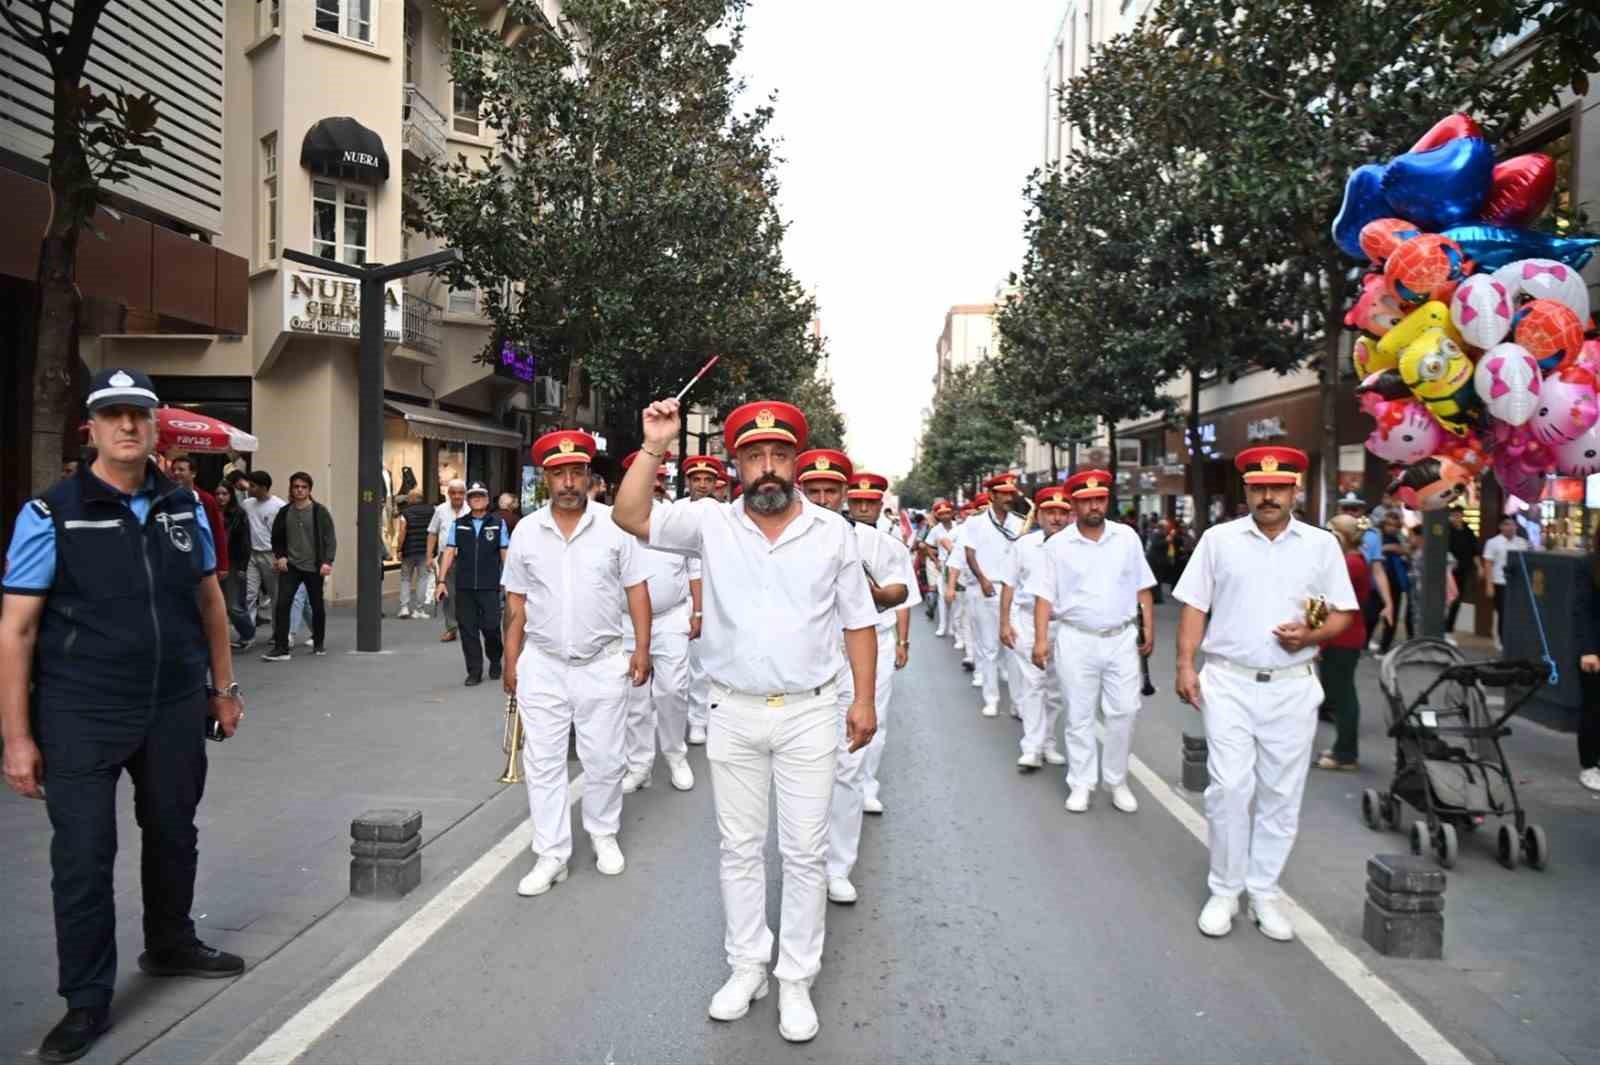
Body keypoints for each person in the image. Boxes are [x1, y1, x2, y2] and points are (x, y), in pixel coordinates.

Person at [613, 398, 878, 1045]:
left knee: (805, 852)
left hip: (811, 710)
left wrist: (863, 699)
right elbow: (629, 514)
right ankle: (747, 967)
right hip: (731, 710)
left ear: (794, 462)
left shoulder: (831, 531)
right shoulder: (708, 522)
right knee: (738, 848)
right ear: (736, 464)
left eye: (779, 455)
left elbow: (858, 620)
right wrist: (654, 445)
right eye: (755, 456)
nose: (768, 468)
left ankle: (794, 978)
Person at [1, 369, 245, 1063]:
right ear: (92, 428)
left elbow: (209, 603)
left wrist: (223, 688)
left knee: (173, 830)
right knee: (82, 856)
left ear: (155, 425)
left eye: (139, 414)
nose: (128, 427)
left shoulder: (183, 505)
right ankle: (85, 999)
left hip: (173, 704)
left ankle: (169, 944)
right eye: (114, 416)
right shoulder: (50, 514)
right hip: (80, 710)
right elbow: (15, 630)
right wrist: (17, 737)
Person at [1173, 446, 1358, 943]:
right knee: (1230, 788)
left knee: (1281, 793)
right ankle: (1225, 889)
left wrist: (1310, 636)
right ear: (1247, 490)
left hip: (1292, 686)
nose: (1269, 495)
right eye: (1259, 487)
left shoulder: (1321, 546)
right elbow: (1194, 605)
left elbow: (1341, 613)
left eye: (1278, 488)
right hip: (1228, 681)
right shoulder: (1219, 540)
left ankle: (1264, 890)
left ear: (1295, 490)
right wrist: (1185, 663)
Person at [502, 431, 650, 897]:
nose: (568, 482)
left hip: (602, 662)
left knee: (604, 758)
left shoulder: (615, 526)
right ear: (546, 478)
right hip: (543, 663)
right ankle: (552, 853)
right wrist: (511, 660)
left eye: (576, 473)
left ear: (589, 476)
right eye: (559, 473)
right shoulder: (527, 530)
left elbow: (637, 590)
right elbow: (517, 602)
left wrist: (642, 649)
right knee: (542, 762)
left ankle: (603, 833)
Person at [1029, 470, 1156, 813]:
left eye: (1099, 499)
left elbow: (1142, 585)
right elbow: (1043, 596)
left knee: (1125, 711)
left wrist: (1150, 627)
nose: (1094, 506)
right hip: (1076, 639)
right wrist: (1041, 640)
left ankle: (1117, 780)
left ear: (1106, 500)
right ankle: (1082, 782)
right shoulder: (1056, 546)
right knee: (1080, 714)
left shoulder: (1127, 537)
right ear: (1074, 504)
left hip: (1122, 638)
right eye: (1086, 501)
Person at [839, 470, 915, 845]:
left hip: (878, 638)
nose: (864, 507)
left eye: (871, 502)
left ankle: (865, 782)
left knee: (874, 716)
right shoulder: (825, 535)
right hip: (830, 643)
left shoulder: (889, 545)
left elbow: (903, 596)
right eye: (858, 501)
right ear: (848, 501)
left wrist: (903, 641)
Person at [615, 451, 696, 792]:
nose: (651, 485)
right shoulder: (612, 520)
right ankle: (639, 765)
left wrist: (699, 610)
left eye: (656, 479)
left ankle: (676, 755)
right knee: (634, 697)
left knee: (672, 690)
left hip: (671, 616)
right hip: (625, 622)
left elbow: (695, 567)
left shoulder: (675, 519)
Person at [1000, 485, 1070, 770]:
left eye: (1062, 512)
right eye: (1049, 512)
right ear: (1038, 515)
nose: (1056, 518)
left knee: (1055, 689)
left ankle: (1049, 742)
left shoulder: (1076, 546)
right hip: (1027, 622)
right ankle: (1031, 746)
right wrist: (1004, 622)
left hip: (1063, 625)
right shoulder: (1023, 545)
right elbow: (1009, 584)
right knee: (1033, 684)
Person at [1314, 515, 1382, 771]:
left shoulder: (1350, 563)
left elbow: (1327, 600)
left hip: (1342, 636)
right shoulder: (1351, 560)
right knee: (1339, 693)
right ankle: (1342, 749)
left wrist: (1316, 641)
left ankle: (1345, 753)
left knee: (1342, 696)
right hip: (1342, 635)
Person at [436, 483, 509, 686]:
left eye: (481, 496)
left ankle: (495, 659)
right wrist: (441, 581)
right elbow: (449, 551)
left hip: (489, 586)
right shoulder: (459, 524)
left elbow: (505, 552)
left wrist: (510, 580)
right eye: (473, 496)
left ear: (487, 500)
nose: (477, 499)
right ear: (468, 501)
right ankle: (474, 671)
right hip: (464, 586)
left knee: (492, 627)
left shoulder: (497, 523)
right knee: (468, 630)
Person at [964, 476, 1024, 717]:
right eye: (1004, 494)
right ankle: (991, 698)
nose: (1009, 498)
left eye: (1011, 494)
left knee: (1014, 649)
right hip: (986, 588)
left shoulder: (1020, 523)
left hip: (1013, 591)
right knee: (989, 648)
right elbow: (970, 554)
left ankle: (1018, 703)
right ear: (992, 495)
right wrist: (982, 579)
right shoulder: (975, 522)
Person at [262, 472, 335, 661]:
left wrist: (327, 561)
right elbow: (276, 538)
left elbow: (330, 539)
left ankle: (318, 642)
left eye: (303, 487)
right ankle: (281, 648)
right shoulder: (285, 512)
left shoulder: (320, 512)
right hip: (291, 566)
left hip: (314, 566)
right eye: (296, 487)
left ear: (309, 490)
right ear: (291, 489)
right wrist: (281, 556)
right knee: (282, 604)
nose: (299, 490)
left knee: (317, 605)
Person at [680, 454, 723, 746]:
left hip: (717, 597)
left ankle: (702, 718)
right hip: (680, 598)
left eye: (708, 480)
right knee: (683, 668)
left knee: (708, 664)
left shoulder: (727, 514)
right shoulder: (675, 512)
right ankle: (691, 717)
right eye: (697, 480)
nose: (703, 485)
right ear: (688, 482)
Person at [214, 480, 258, 650]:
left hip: (232, 562)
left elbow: (244, 543)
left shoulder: (238, 515)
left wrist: (242, 567)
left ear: (231, 496)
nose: (221, 497)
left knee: (233, 604)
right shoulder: (211, 512)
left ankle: (248, 633)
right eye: (218, 494)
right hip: (214, 562)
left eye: (224, 494)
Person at [169, 454, 229, 578]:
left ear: (193, 473)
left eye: (181, 469)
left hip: (201, 560)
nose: (176, 473)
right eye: (174, 470)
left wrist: (222, 564)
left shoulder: (206, 499)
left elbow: (217, 530)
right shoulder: (166, 499)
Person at [427, 480, 469, 643]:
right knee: (448, 593)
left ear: (464, 494)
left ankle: (467, 626)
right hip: (446, 556)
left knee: (466, 593)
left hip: (467, 555)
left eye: (460, 493)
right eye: (453, 493)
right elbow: (432, 533)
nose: (457, 496)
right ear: (448, 494)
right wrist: (429, 556)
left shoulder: (471, 509)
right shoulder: (441, 510)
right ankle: (451, 628)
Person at [240, 470, 284, 625]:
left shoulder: (279, 506)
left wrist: (281, 557)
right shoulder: (247, 504)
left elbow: (285, 533)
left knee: (275, 595)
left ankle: (278, 634)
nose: (249, 489)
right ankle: (248, 632)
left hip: (271, 555)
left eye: (252, 486)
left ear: (264, 488)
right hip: (253, 555)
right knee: (249, 594)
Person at [1480, 515, 1530, 650]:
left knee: (1516, 613)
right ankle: (1502, 641)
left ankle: (1514, 639)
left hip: (1517, 584)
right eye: (1507, 524)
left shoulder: (1522, 542)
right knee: (1503, 613)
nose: (1511, 527)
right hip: (1499, 582)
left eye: (1513, 525)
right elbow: (1488, 564)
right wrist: (1489, 585)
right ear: (1501, 526)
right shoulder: (1493, 542)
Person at [1575, 522, 1600, 793]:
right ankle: (1589, 765)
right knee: (1594, 708)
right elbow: (1582, 610)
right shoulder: (1588, 565)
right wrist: (1588, 649)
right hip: (1595, 650)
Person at [1373, 513, 1412, 654]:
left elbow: (1408, 551)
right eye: (1389, 524)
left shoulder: (1399, 538)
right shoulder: (1378, 538)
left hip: (1395, 583)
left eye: (1396, 526)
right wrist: (1387, 548)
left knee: (1392, 617)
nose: (1392, 528)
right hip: (1377, 584)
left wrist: (1401, 550)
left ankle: (1384, 647)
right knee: (1372, 614)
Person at [394, 492, 436, 619]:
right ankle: (419, 609)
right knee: (423, 578)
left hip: (409, 550)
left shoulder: (405, 513)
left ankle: (404, 607)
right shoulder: (431, 511)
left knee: (405, 578)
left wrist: (399, 549)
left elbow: (402, 532)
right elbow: (434, 530)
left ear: (410, 500)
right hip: (425, 550)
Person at [1442, 507, 1479, 639]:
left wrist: (1479, 567)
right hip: (1448, 571)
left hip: (1464, 570)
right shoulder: (1446, 530)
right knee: (1447, 598)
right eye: (1454, 515)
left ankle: (1448, 629)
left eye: (1458, 515)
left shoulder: (1468, 531)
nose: (1456, 518)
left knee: (1457, 599)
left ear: (1462, 516)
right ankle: (1442, 626)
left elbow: (1475, 551)